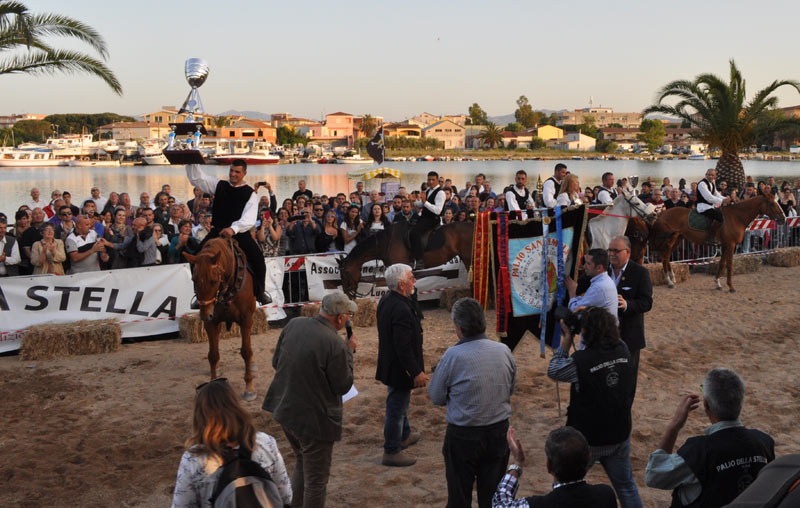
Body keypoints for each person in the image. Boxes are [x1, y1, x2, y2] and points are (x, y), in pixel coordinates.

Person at [262, 292, 358, 508]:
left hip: (286, 411)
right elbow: (343, 385)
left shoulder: (294, 324)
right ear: (340, 318)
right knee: (316, 481)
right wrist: (349, 352)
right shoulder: (336, 343)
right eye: (348, 315)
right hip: (314, 421)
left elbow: (277, 362)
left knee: (303, 460)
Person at [547, 307, 642, 508]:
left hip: (587, 440)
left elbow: (554, 370)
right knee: (626, 486)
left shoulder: (581, 361)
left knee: (565, 486)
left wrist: (566, 339)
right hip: (619, 433)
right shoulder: (623, 348)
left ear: (587, 332)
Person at [428, 297, 516, 508]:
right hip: (498, 430)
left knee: (459, 497)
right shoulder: (503, 350)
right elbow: (510, 388)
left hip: (464, 434)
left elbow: (436, 396)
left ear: (459, 329)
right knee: (492, 497)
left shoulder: (453, 355)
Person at [645, 368, 775, 508]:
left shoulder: (697, 452)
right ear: (740, 402)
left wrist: (673, 427)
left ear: (706, 404)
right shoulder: (764, 442)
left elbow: (653, 476)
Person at [171, 378, 292, 508]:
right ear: (236, 407)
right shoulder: (266, 443)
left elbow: (181, 505)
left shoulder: (193, 458)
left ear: (199, 415)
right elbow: (286, 497)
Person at [185, 160, 270, 305]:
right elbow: (197, 179)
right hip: (217, 231)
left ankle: (260, 293)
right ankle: (199, 295)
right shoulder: (219, 185)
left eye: (237, 172)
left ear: (244, 173)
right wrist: (191, 160)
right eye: (231, 170)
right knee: (196, 259)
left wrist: (233, 229)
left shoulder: (250, 193)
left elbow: (249, 219)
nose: (233, 174)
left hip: (239, 234)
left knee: (258, 259)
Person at [376, 264, 427, 467]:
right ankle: (392, 450)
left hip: (391, 364)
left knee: (400, 403)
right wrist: (416, 372)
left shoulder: (388, 300)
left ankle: (404, 435)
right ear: (401, 284)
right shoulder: (401, 308)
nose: (415, 281)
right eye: (411, 278)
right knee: (397, 408)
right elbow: (403, 346)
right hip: (400, 368)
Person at [491, 426, 617, 508]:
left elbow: (499, 505)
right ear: (589, 458)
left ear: (549, 466)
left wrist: (517, 464)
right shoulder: (606, 495)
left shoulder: (538, 505)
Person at [608, 236, 652, 399]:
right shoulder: (602, 270)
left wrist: (627, 305)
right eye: (610, 250)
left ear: (628, 252)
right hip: (605, 336)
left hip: (629, 336)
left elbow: (646, 302)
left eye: (616, 251)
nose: (612, 254)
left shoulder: (640, 272)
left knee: (627, 380)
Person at [565, 248, 618, 322]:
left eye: (588, 263)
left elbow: (575, 310)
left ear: (599, 268)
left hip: (602, 332)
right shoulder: (604, 280)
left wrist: (572, 292)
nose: (584, 266)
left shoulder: (599, 287)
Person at [410, 171, 445, 268]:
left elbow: (438, 210)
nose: (431, 182)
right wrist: (413, 201)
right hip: (424, 217)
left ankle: (419, 259)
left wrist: (425, 201)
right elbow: (422, 205)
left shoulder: (441, 193)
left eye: (433, 180)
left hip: (433, 219)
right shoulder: (429, 191)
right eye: (429, 180)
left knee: (415, 233)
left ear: (437, 180)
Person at [696, 169, 729, 243]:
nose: (710, 176)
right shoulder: (702, 184)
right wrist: (722, 201)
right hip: (703, 207)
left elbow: (716, 194)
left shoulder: (712, 182)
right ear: (706, 174)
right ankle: (710, 236)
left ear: (715, 176)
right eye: (709, 174)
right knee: (720, 218)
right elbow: (709, 197)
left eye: (712, 175)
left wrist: (725, 198)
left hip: (710, 206)